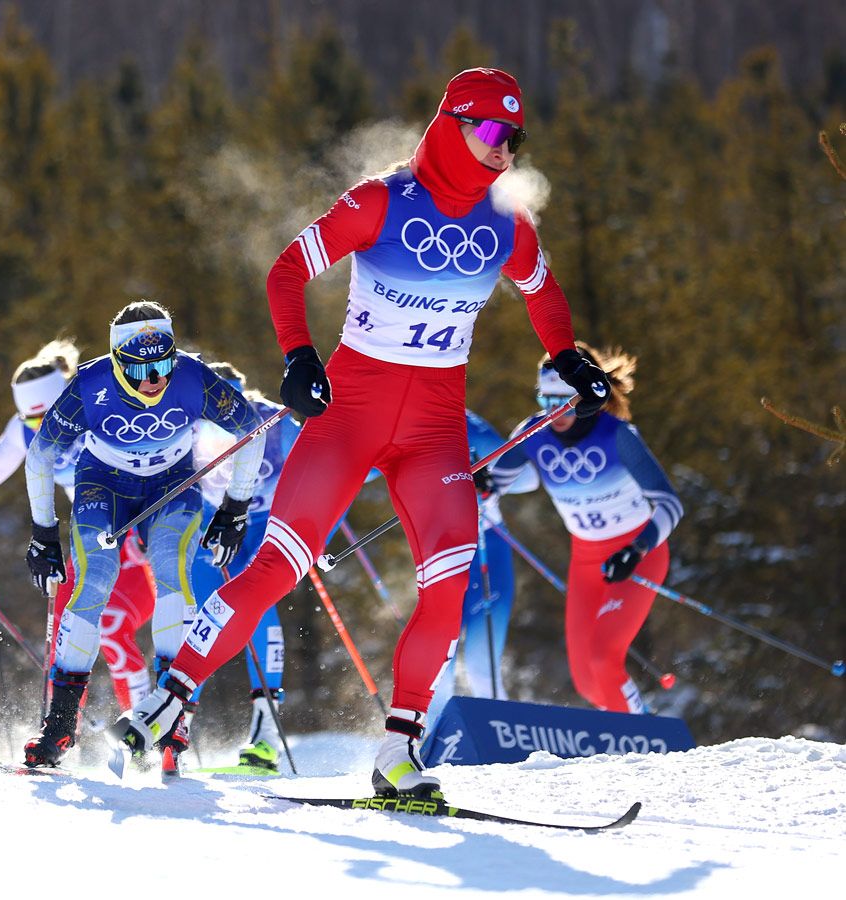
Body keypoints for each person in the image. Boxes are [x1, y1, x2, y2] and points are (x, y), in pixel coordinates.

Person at [115, 68, 612, 799]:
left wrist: (570, 359)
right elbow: (287, 270)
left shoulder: (507, 221)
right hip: (349, 416)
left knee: (449, 584)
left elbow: (545, 294)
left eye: (515, 138)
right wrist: (297, 357)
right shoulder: (383, 200)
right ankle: (177, 689)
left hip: (435, 432)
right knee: (277, 567)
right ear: (452, 126)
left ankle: (397, 752)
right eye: (490, 132)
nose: (504, 150)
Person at [23, 301, 266, 767]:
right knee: (93, 580)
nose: (155, 378)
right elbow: (40, 456)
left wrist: (236, 507)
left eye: (163, 363)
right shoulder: (90, 385)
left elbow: (250, 431)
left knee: (172, 570)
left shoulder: (192, 377)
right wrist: (43, 533)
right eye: (141, 367)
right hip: (103, 484)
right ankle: (60, 726)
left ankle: (173, 716)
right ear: (117, 362)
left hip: (173, 483)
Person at [488, 343, 682, 713]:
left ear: (584, 396)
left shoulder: (617, 435)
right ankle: (627, 738)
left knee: (603, 659)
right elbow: (494, 482)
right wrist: (479, 486)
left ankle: (642, 750)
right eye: (547, 401)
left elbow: (671, 504)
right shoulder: (533, 432)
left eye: (565, 401)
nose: (555, 413)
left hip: (637, 555)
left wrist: (637, 549)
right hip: (586, 562)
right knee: (587, 682)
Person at [0, 339, 158, 714]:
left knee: (111, 626)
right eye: (32, 420)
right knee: (65, 633)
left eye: (48, 416)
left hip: (133, 530)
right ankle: (60, 730)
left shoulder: (101, 407)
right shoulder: (26, 429)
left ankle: (146, 725)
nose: (43, 428)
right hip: (89, 536)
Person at [188, 361, 302, 773]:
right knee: (200, 613)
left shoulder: (275, 419)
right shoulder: (191, 423)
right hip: (213, 524)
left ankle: (266, 734)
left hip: (264, 524)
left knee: (259, 605)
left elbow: (325, 465)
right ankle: (176, 721)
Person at [423, 410, 529, 737]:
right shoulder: (405, 417)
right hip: (438, 552)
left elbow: (529, 476)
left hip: (486, 547)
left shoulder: (469, 422)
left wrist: (491, 478)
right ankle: (434, 743)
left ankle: (504, 738)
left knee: (482, 665)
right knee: (440, 663)